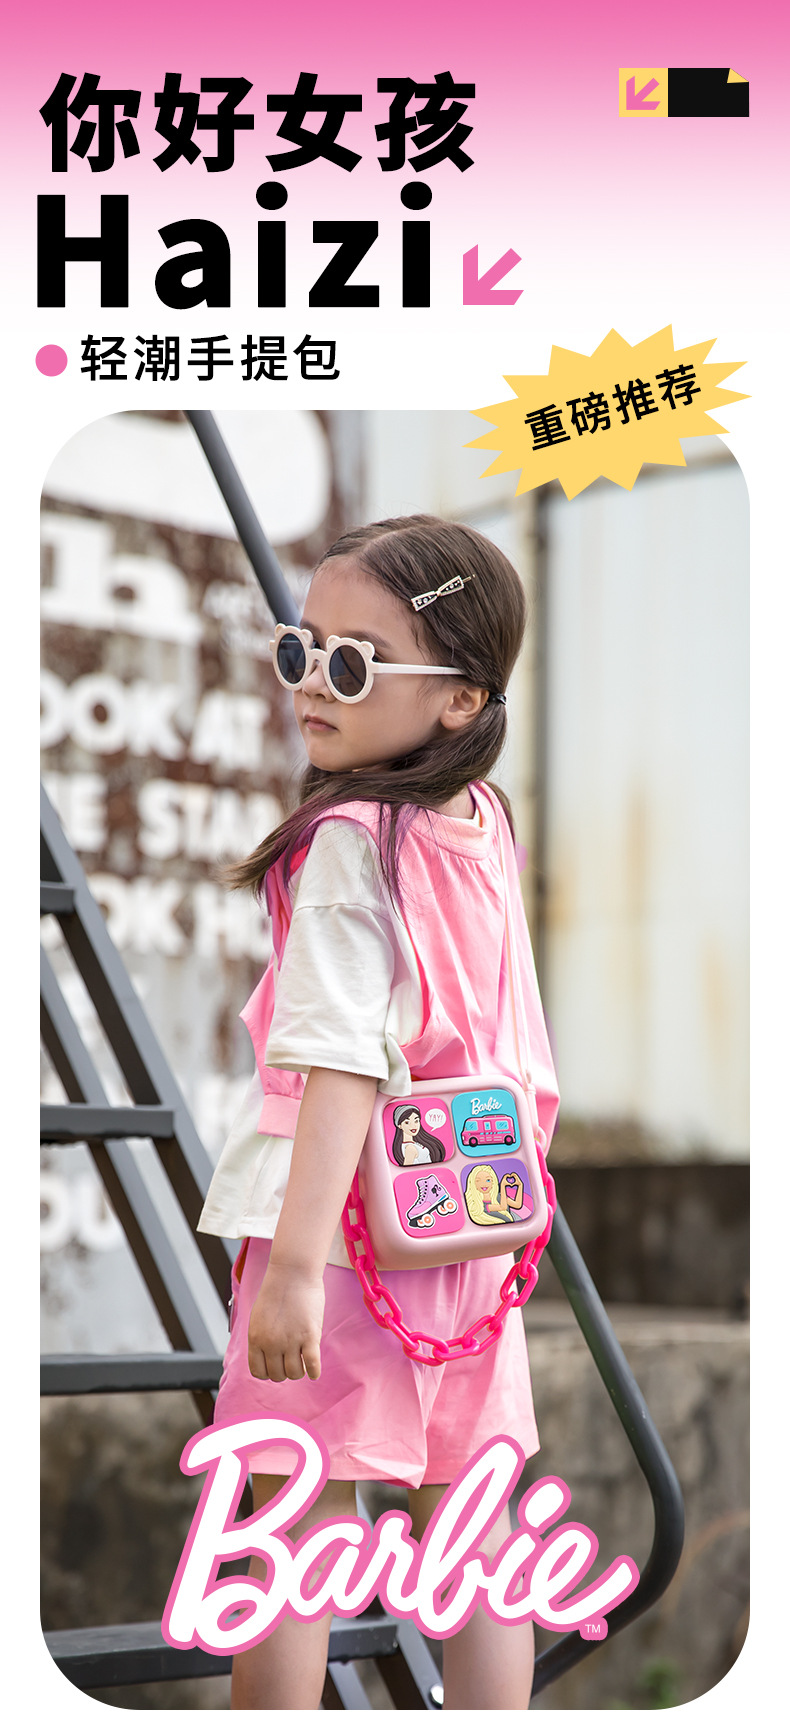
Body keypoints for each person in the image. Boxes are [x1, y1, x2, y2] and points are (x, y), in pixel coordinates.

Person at [197, 515, 560, 1710]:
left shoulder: (352, 841)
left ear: (459, 698)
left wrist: (296, 1268)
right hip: (467, 1214)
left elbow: (340, 1059)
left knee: (293, 1522)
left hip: (347, 1235)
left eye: (353, 662)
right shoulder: (481, 823)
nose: (313, 681)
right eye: (300, 648)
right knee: (476, 1529)